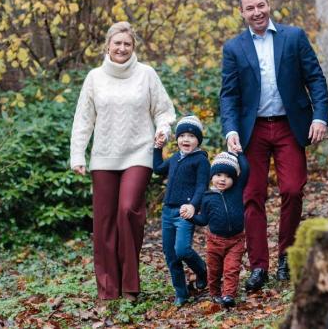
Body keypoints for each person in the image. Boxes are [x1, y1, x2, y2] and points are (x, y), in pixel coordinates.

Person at [220, 0, 328, 292]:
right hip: (251, 131)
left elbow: (315, 79)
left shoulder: (293, 37)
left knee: (293, 189)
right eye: (250, 8)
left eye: (261, 5)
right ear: (242, 13)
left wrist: (319, 116)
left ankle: (287, 256)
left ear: (269, 5)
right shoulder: (234, 48)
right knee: (252, 196)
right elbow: (228, 95)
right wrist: (230, 130)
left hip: (288, 126)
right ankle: (258, 266)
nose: (257, 12)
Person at [70, 21, 176, 301]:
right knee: (104, 222)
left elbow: (164, 110)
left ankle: (130, 285)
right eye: (117, 43)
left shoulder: (146, 74)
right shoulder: (94, 77)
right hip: (104, 156)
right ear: (107, 46)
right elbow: (83, 118)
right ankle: (108, 291)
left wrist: (164, 129)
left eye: (127, 44)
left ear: (133, 47)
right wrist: (77, 154)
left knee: (128, 210)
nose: (122, 48)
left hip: (138, 152)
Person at [153, 115, 209, 306]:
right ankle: (181, 293)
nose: (186, 139)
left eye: (191, 136)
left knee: (182, 250)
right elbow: (158, 168)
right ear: (177, 139)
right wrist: (157, 148)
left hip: (185, 212)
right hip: (168, 212)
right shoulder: (175, 157)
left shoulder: (200, 160)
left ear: (198, 140)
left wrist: (193, 205)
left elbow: (202, 186)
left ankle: (201, 270)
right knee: (171, 256)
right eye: (182, 135)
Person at [190, 151, 249, 309]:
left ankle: (228, 295)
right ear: (212, 176)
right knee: (214, 269)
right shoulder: (207, 197)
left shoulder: (236, 190)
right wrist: (191, 217)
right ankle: (215, 293)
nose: (223, 179)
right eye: (219, 175)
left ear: (234, 179)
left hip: (236, 239)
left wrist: (239, 154)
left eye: (228, 176)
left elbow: (246, 169)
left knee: (232, 268)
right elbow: (203, 220)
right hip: (215, 240)